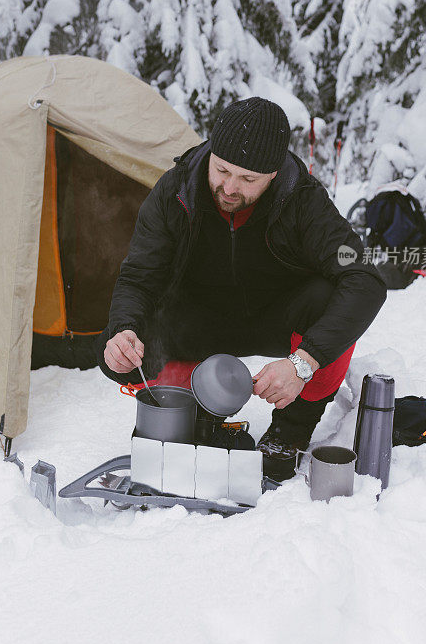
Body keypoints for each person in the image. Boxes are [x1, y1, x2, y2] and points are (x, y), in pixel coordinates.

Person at [97, 97, 387, 479]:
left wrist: (303, 364)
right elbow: (139, 275)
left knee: (327, 298)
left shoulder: (304, 199)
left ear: (273, 173)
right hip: (198, 319)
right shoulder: (175, 191)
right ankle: (185, 410)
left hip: (276, 317)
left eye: (248, 179)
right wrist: (124, 330)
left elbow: (365, 279)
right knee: (120, 347)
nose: (230, 187)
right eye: (222, 170)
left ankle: (291, 428)